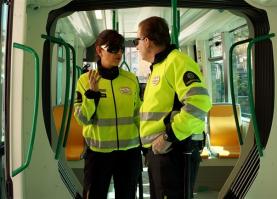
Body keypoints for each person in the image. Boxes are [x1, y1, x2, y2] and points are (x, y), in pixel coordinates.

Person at [134, 16, 212, 199]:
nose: (136, 46)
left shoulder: (177, 62)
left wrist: (169, 136)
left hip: (174, 149)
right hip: (160, 151)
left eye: (136, 40)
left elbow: (198, 104)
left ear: (147, 41)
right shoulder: (160, 66)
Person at [74, 29, 141, 199]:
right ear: (99, 50)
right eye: (112, 49)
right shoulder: (85, 81)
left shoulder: (131, 79)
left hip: (129, 152)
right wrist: (92, 95)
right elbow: (82, 119)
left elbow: (138, 114)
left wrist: (147, 143)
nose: (118, 53)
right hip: (98, 153)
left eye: (120, 49)